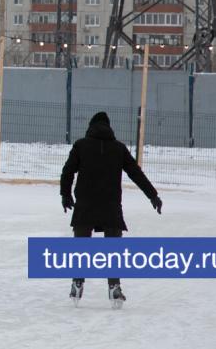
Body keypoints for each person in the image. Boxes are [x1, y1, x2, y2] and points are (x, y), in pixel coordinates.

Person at [60, 111, 163, 307]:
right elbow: (136, 173)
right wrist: (153, 195)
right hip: (110, 205)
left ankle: (77, 282)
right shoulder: (118, 149)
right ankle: (114, 288)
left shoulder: (81, 145)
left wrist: (66, 195)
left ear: (90, 127)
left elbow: (68, 171)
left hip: (85, 204)